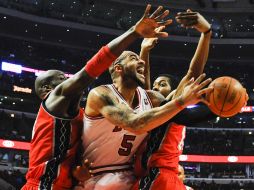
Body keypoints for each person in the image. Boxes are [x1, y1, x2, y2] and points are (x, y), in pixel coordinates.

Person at [21, 4, 173, 190]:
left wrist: (78, 173)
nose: (69, 81)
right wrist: (134, 32)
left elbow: (144, 103)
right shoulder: (54, 101)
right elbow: (90, 70)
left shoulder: (77, 115)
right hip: (42, 185)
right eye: (62, 79)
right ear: (46, 89)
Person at [77, 6, 213, 190]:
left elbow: (190, 78)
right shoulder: (101, 94)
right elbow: (135, 123)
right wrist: (182, 101)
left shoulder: (150, 98)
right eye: (133, 59)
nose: (140, 61)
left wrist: (206, 33)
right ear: (118, 68)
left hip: (129, 175)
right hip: (95, 176)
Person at [131, 9, 213, 190]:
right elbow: (145, 88)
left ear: (174, 92)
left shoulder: (172, 106)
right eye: (155, 84)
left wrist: (206, 34)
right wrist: (144, 50)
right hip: (149, 175)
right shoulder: (155, 108)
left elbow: (193, 72)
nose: (155, 87)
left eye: (162, 85)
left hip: (160, 176)